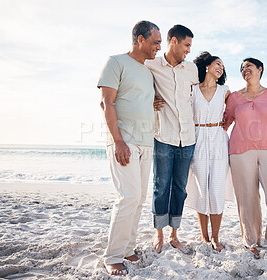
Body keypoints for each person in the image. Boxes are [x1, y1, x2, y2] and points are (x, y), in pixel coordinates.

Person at [97, 20, 161, 275]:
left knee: (139, 199)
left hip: (147, 141)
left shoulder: (148, 72)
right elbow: (106, 103)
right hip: (125, 141)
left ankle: (128, 248)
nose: (159, 47)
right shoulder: (115, 62)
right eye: (155, 42)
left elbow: (141, 99)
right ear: (140, 40)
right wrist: (119, 141)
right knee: (128, 197)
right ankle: (113, 255)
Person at [223, 57, 267, 259]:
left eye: (249, 66)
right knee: (247, 199)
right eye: (242, 68)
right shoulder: (235, 98)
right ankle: (251, 241)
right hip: (240, 151)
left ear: (259, 69)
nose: (245, 69)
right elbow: (223, 123)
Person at [145, 25, 199, 254]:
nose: (188, 50)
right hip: (163, 135)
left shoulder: (192, 69)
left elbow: (199, 96)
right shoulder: (151, 65)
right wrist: (150, 99)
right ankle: (158, 234)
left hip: (187, 137)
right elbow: (137, 87)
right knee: (161, 185)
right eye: (186, 45)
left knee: (180, 187)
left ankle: (174, 234)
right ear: (173, 41)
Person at [185, 51, 230, 252]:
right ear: (207, 66)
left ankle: (215, 237)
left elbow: (239, 110)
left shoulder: (225, 91)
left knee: (216, 189)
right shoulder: (192, 89)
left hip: (219, 139)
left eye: (222, 66)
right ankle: (204, 236)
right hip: (198, 138)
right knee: (202, 188)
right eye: (217, 64)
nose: (220, 67)